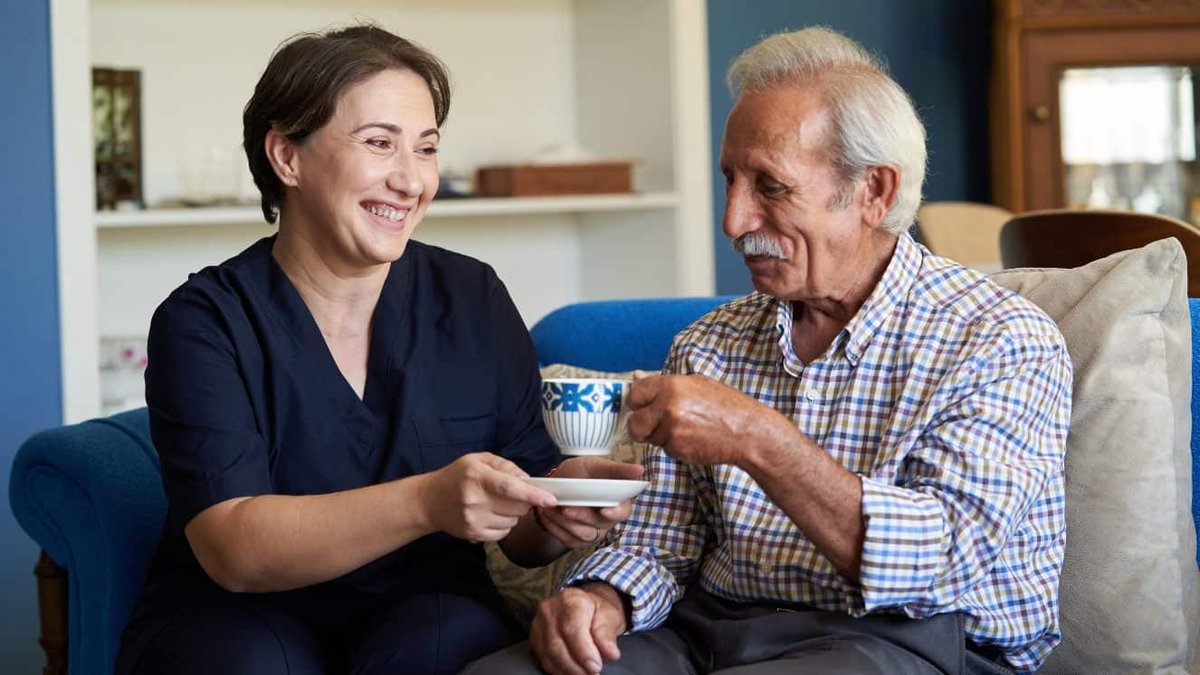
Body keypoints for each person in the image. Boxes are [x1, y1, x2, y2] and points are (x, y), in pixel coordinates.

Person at [465, 26, 1071, 675]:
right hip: (711, 628)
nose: (733, 220)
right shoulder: (710, 343)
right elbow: (661, 541)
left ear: (875, 193)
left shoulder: (1001, 339)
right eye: (730, 180)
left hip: (910, 639)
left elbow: (944, 559)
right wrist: (600, 596)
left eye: (770, 187)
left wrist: (757, 437)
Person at [113, 24, 642, 675]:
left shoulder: (472, 297)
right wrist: (427, 500)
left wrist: (559, 505)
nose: (411, 179)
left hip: (425, 609)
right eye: (379, 143)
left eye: (425, 149)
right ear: (287, 157)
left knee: (451, 639)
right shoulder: (206, 321)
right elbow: (234, 551)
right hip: (240, 614)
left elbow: (524, 537)